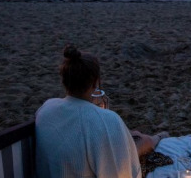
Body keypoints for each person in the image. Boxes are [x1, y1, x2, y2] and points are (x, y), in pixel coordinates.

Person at [35, 44, 167, 178]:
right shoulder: (106, 120)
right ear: (95, 83)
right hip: (100, 150)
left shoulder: (46, 109)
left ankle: (156, 138)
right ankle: (157, 138)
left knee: (132, 135)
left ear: (64, 81)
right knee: (137, 141)